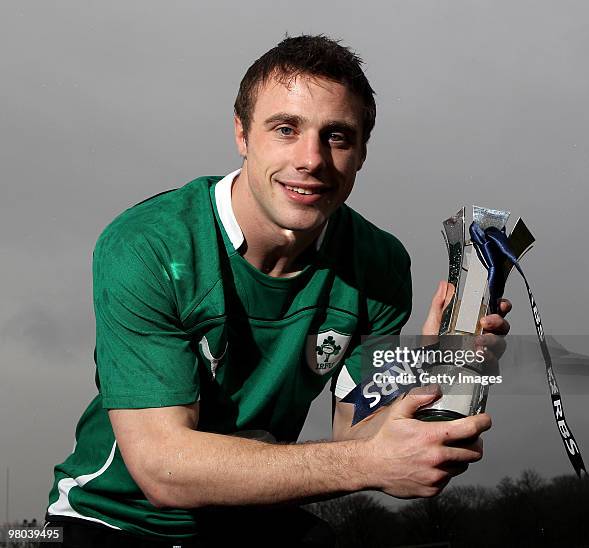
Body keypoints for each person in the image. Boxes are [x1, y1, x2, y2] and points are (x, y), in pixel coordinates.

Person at [45, 35, 510, 547]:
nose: (311, 159)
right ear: (242, 134)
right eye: (286, 129)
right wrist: (368, 462)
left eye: (337, 136)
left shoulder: (381, 264)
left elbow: (359, 433)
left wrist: (434, 377)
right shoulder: (149, 245)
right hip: (116, 519)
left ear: (361, 153)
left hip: (252, 514)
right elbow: (162, 470)